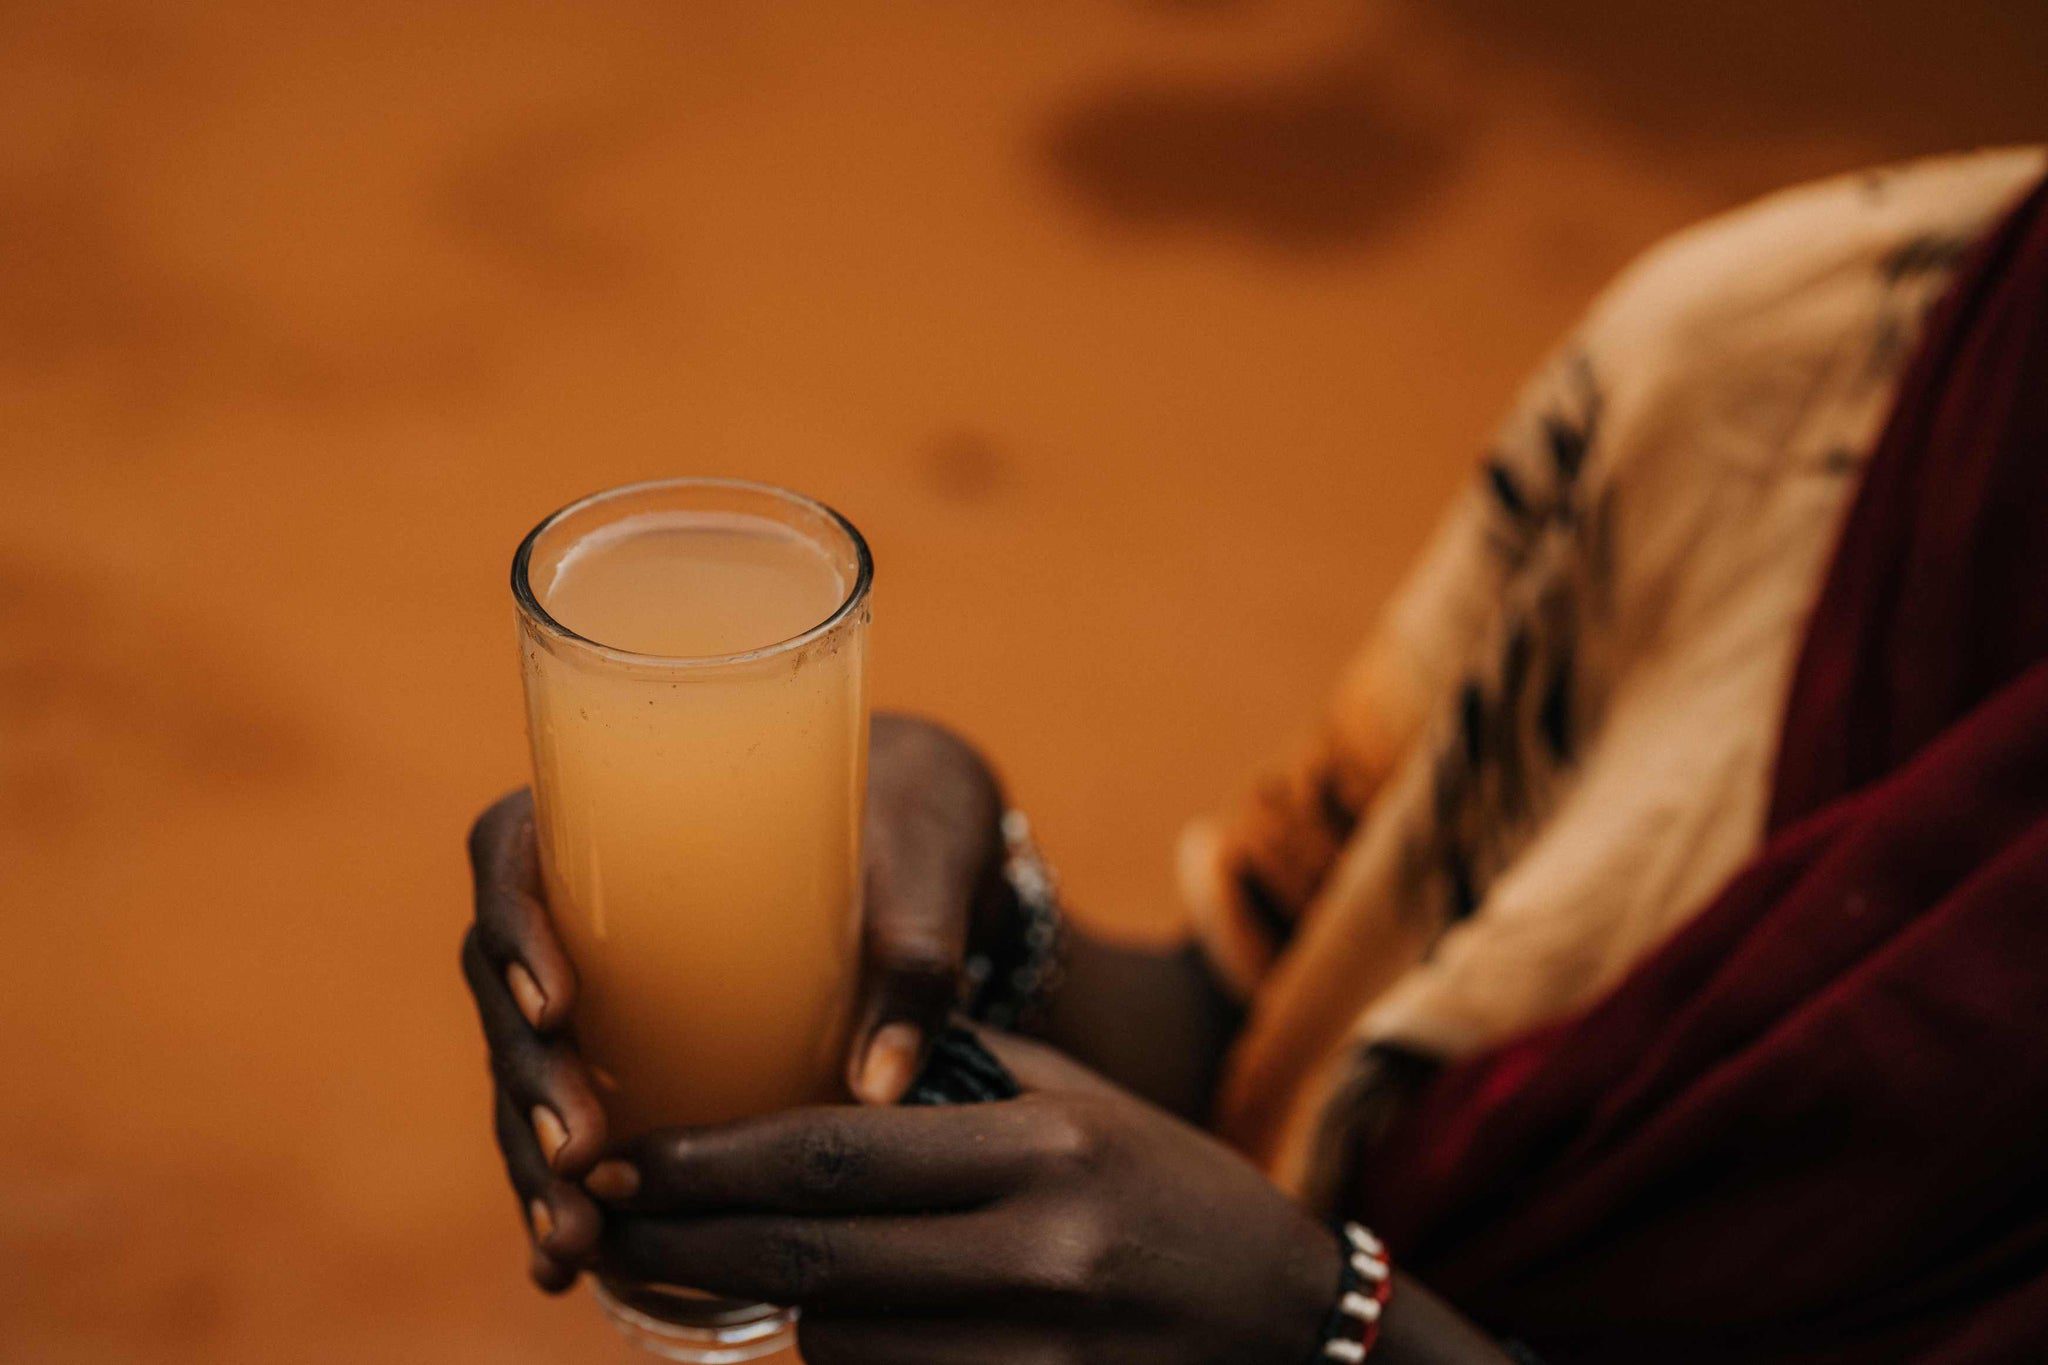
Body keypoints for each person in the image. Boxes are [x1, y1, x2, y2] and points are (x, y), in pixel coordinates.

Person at [460, 147, 2048, 1364]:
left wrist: (1336, 1329)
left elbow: (1264, 1254)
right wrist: (967, 914)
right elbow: (1250, 1031)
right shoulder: (1781, 352)